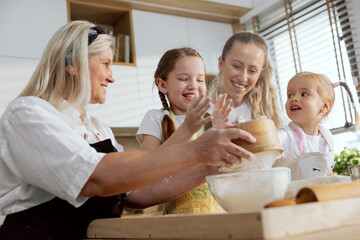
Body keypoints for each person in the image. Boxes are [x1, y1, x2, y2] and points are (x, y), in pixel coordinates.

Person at [0, 20, 257, 240]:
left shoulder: (100, 130)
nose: (112, 76)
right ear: (73, 64)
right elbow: (94, 178)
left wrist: (213, 166)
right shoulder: (29, 114)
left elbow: (136, 193)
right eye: (106, 64)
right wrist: (198, 151)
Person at [134, 47, 232, 214]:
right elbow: (146, 169)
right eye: (183, 78)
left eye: (200, 80)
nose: (193, 86)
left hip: (220, 216)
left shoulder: (212, 120)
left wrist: (220, 132)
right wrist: (187, 128)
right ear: (163, 85)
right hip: (179, 221)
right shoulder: (155, 118)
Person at [274, 72, 359, 180]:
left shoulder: (327, 138)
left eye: (304, 94)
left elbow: (327, 172)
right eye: (290, 95)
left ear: (324, 106)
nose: (293, 98)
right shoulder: (286, 135)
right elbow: (267, 143)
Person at [207, 31, 283, 127]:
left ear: (260, 73)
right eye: (236, 66)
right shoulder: (202, 113)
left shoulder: (270, 114)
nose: (243, 78)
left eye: (252, 71)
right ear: (221, 64)